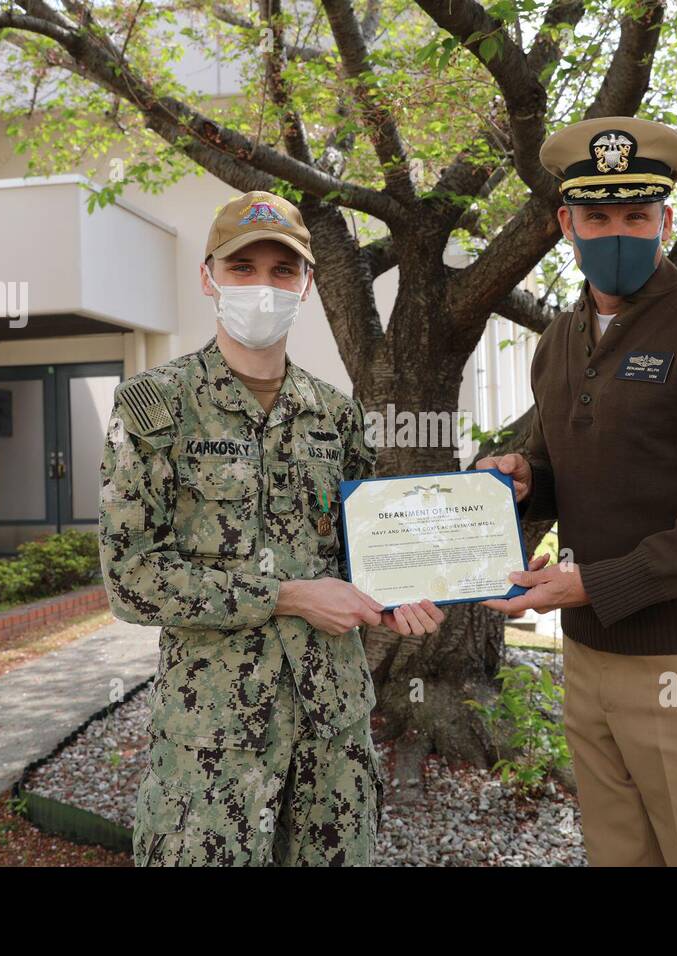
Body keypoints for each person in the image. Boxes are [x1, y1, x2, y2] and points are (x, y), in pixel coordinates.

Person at [99, 189, 443, 866]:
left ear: (307, 284)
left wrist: (403, 591)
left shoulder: (337, 416)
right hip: (214, 744)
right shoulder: (155, 408)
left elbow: (366, 555)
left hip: (332, 739)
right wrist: (286, 596)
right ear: (209, 278)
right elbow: (131, 581)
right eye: (242, 268)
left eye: (282, 271)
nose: (263, 286)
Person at [478, 117, 677, 866]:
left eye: (635, 216)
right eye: (598, 217)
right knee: (619, 855)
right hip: (590, 653)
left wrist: (595, 584)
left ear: (664, 220)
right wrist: (522, 481)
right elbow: (558, 466)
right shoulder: (558, 340)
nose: (617, 232)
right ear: (566, 224)